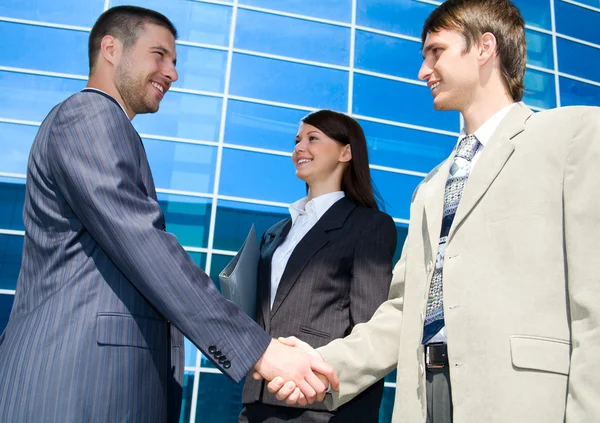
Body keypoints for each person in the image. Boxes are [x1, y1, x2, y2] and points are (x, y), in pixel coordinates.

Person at [266, 0, 600, 422]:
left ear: (484, 47)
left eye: (435, 52)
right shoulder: (431, 185)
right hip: (426, 400)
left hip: (525, 400)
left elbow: (594, 300)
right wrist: (322, 364)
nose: (423, 71)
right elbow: (404, 310)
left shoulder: (573, 136)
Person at [0, 6, 336, 423]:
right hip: (77, 387)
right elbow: (144, 244)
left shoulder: (110, 129)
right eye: (159, 55)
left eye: (174, 61)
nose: (172, 72)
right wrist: (259, 350)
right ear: (110, 48)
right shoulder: (88, 116)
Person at [239, 110, 397, 423]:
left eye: (313, 138)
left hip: (321, 409)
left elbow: (370, 332)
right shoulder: (275, 233)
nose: (299, 147)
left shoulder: (368, 225)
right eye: (297, 140)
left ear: (345, 152)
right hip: (258, 402)